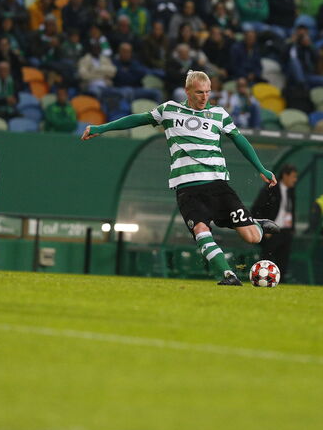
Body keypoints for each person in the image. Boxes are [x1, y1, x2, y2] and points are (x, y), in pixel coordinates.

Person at [81, 70, 280, 285]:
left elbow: (240, 141)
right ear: (187, 91)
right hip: (188, 189)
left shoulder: (219, 114)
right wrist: (101, 128)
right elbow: (138, 119)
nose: (204, 97)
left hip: (218, 186)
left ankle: (255, 223)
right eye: (199, 92)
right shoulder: (169, 110)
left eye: (208, 92)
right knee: (201, 230)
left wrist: (261, 168)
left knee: (253, 237)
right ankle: (227, 275)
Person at [251, 164, 298, 277]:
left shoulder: (291, 191)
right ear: (285, 176)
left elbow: (291, 210)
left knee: (283, 261)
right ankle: (262, 278)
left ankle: (281, 282)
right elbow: (256, 209)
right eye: (293, 176)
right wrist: (263, 227)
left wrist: (292, 229)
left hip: (286, 231)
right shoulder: (271, 188)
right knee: (267, 259)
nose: (295, 180)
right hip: (271, 231)